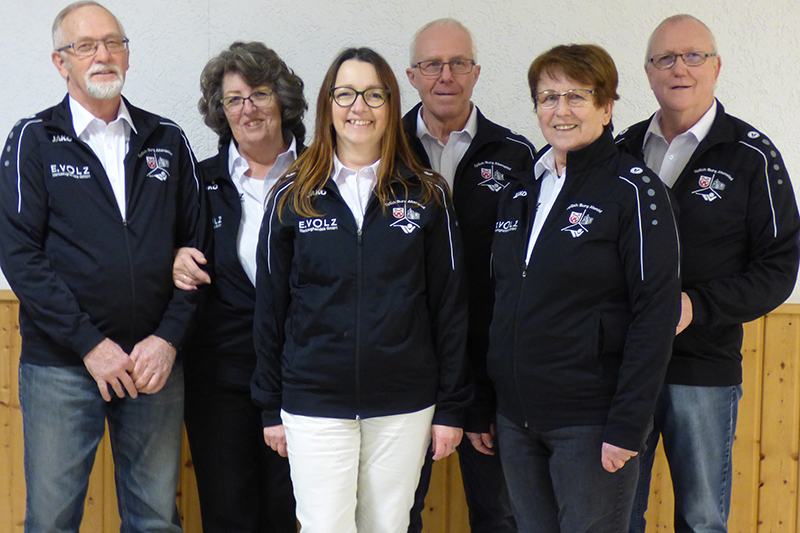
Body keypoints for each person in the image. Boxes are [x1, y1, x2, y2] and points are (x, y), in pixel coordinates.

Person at [0, 2, 205, 531]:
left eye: (113, 42)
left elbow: (199, 248)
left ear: (129, 56)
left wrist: (168, 339)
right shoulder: (33, 141)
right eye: (85, 46)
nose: (103, 55)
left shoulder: (167, 140)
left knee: (157, 519)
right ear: (59, 62)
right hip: (61, 368)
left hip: (153, 366)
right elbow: (20, 255)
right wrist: (90, 345)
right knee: (51, 521)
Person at [251, 46, 472, 533]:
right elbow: (270, 307)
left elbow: (450, 309)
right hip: (314, 402)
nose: (359, 107)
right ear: (328, 105)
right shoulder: (292, 195)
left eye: (374, 95)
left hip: (404, 404)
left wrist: (452, 405)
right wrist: (271, 404)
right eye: (346, 93)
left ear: (392, 105)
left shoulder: (427, 193)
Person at [615, 14, 800, 533]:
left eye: (694, 56)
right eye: (665, 58)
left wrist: (697, 307)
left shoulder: (752, 156)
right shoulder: (622, 151)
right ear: (648, 73)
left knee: (701, 519)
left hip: (703, 370)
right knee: (616, 516)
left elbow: (779, 266)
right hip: (622, 368)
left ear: (716, 66)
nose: (680, 68)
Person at [488, 44, 681, 532]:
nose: (561, 110)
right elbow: (504, 297)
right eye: (548, 96)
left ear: (607, 106)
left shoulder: (634, 190)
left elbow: (655, 313)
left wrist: (627, 427)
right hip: (516, 420)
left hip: (591, 424)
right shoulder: (520, 192)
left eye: (577, 96)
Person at [403, 19, 534, 533]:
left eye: (458, 63)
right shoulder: (381, 149)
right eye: (432, 64)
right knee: (396, 513)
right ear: (412, 75)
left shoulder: (516, 154)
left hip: (489, 366)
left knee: (499, 513)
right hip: (405, 362)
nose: (445, 75)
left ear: (476, 73)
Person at [172, 41, 305, 532]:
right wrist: (173, 259)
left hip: (304, 380)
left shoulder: (322, 175)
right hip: (219, 380)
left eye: (259, 94)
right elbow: (165, 245)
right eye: (233, 99)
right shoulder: (196, 181)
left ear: (283, 100)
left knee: (291, 514)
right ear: (220, 111)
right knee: (227, 515)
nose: (247, 108)